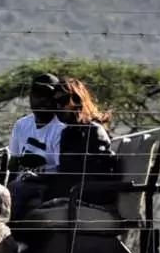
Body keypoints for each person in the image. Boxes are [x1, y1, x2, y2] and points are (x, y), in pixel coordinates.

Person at [43, 78, 116, 206]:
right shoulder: (67, 133)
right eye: (54, 103)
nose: (58, 107)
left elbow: (100, 175)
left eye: (63, 101)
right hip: (72, 192)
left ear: (77, 100)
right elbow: (67, 172)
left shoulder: (93, 131)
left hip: (86, 196)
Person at [6, 73, 67, 217]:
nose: (43, 100)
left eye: (48, 96)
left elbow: (62, 173)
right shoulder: (21, 125)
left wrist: (36, 178)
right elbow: (13, 162)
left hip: (46, 185)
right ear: (30, 97)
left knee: (17, 190)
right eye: (38, 95)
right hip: (21, 183)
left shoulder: (61, 129)